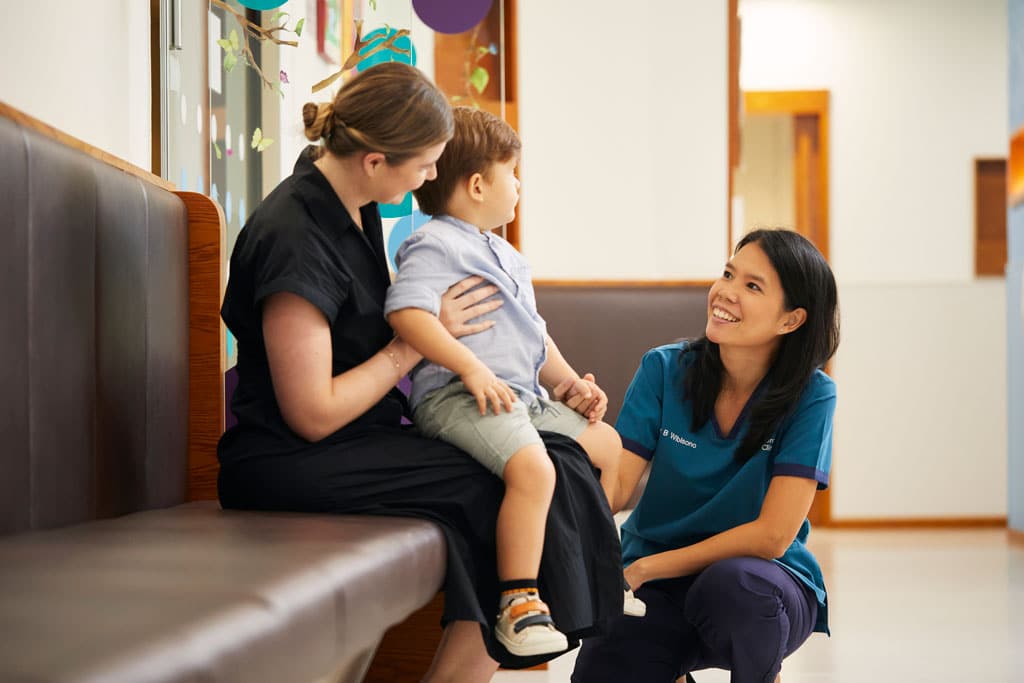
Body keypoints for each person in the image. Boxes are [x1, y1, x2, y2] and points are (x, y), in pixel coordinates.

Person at [216, 62, 624, 679]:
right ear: (376, 160)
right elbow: (311, 413)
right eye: (426, 162)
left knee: (558, 459)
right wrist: (420, 345)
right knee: (517, 476)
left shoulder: (349, 206)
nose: (435, 176)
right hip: (289, 459)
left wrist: (555, 380)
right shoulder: (294, 235)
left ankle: (518, 630)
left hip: (361, 436)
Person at [383, 107, 643, 657]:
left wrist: (572, 384)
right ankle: (519, 602)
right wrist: (471, 367)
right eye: (512, 173)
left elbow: (535, 338)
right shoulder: (435, 244)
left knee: (607, 443)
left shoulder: (506, 254)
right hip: (459, 398)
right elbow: (408, 314)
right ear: (478, 185)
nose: (519, 184)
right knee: (532, 467)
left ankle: (596, 561)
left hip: (520, 396)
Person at [572, 228, 840, 683]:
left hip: (762, 583)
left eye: (752, 286)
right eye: (728, 274)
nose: (725, 293)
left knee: (734, 587)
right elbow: (613, 493)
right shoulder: (663, 369)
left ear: (791, 320)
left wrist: (646, 567)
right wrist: (588, 435)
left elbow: (772, 537)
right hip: (655, 586)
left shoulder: (812, 395)